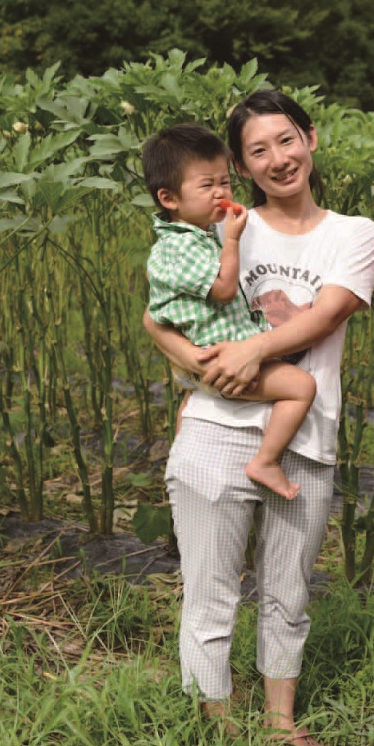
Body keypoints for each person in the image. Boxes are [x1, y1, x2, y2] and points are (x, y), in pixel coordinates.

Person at [143, 90, 374, 746]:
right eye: (257, 150)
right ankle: (216, 735)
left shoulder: (352, 232)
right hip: (216, 430)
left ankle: (282, 728)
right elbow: (156, 315)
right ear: (240, 167)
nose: (278, 158)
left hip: (303, 435)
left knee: (289, 594)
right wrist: (195, 364)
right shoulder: (217, 223)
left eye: (286, 140)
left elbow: (326, 314)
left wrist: (248, 352)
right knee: (209, 594)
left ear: (312, 138)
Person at [143, 123, 316, 500]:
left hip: (215, 355)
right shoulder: (180, 247)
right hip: (221, 357)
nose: (221, 193)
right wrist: (233, 239)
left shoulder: (196, 236)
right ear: (169, 198)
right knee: (301, 386)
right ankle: (266, 461)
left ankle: (185, 451)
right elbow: (222, 289)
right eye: (207, 186)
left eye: (225, 182)